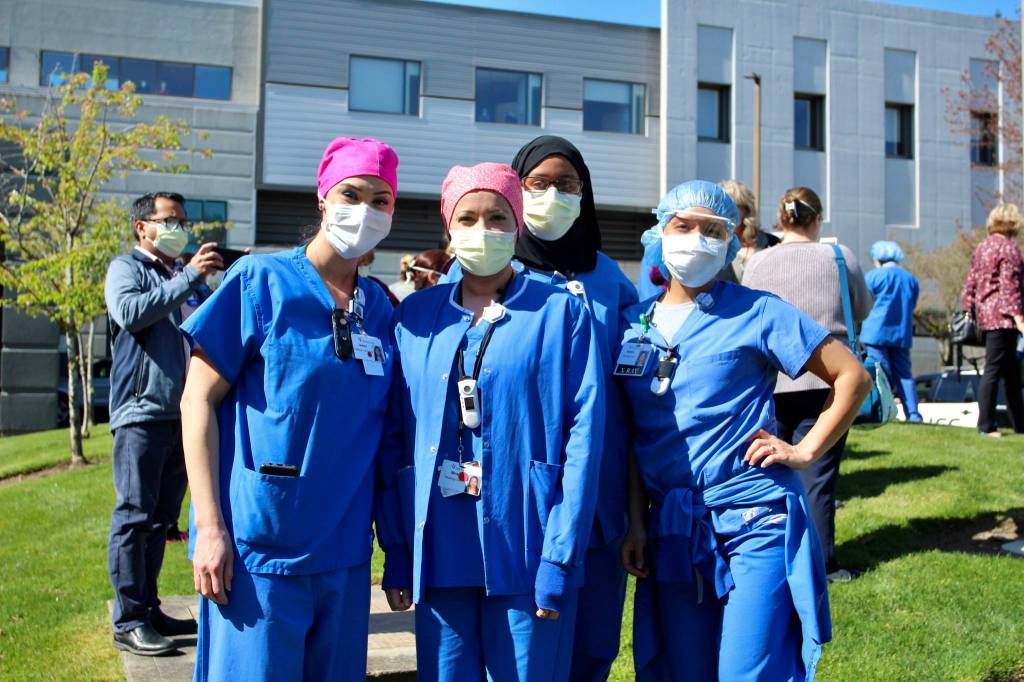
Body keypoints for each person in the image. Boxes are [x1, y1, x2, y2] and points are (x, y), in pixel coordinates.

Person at [618, 180, 871, 681]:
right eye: (683, 226)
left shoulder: (758, 311)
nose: (697, 239)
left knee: (746, 671)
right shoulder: (631, 325)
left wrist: (805, 451)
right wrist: (637, 522)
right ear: (660, 231)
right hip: (673, 527)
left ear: (732, 240)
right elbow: (630, 433)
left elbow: (852, 377)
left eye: (712, 230)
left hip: (755, 519)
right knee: (685, 670)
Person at [179, 136, 407, 680]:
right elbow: (196, 400)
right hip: (259, 551)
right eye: (352, 194)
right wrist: (208, 528)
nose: (366, 210)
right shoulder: (260, 282)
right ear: (323, 198)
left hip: (345, 554)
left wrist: (395, 549)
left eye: (380, 200)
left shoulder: (380, 309)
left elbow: (384, 439)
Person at [385, 162, 603, 681]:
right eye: (468, 218)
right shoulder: (414, 316)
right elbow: (394, 438)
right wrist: (397, 550)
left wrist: (560, 556)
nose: (483, 230)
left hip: (526, 542)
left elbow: (584, 439)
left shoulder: (561, 311)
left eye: (498, 217)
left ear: (518, 223)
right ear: (448, 226)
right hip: (439, 546)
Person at [442, 135, 639, 680]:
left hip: (597, 489)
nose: (553, 195)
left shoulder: (609, 279)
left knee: (592, 643)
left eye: (567, 184)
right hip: (516, 497)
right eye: (538, 184)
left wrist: (635, 507)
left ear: (585, 193)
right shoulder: (484, 275)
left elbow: (630, 388)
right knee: (522, 646)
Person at [105, 192, 223, 655]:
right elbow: (131, 313)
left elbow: (209, 326)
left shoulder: (183, 277)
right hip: (142, 411)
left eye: (183, 221)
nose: (180, 229)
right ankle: (128, 619)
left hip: (183, 417)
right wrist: (190, 275)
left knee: (160, 521)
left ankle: (149, 609)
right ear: (143, 227)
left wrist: (225, 281)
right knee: (134, 516)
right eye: (170, 220)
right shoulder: (126, 269)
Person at [742, 187, 872, 582]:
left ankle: (770, 556)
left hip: (770, 379)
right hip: (828, 379)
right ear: (817, 218)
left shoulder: (757, 261)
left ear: (781, 220)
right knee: (818, 475)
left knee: (770, 470)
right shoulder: (838, 256)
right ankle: (820, 563)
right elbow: (862, 306)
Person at [961, 203, 1024, 437]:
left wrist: (970, 309)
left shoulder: (982, 247)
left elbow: (970, 283)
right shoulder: (1009, 249)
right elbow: (1010, 286)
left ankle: (1019, 424)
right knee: (995, 370)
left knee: (1011, 373)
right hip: (1004, 318)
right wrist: (1019, 317)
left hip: (986, 316)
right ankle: (986, 425)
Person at [862, 240, 922, 423]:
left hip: (876, 332)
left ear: (878, 258)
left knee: (880, 371)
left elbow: (863, 303)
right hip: (901, 333)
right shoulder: (910, 279)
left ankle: (881, 411)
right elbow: (912, 304)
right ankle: (913, 414)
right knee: (905, 375)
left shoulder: (873, 277)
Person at [720, 178, 778, 282]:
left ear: (746, 209)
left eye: (732, 206)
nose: (725, 212)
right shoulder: (714, 247)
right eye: (721, 207)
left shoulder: (772, 243)